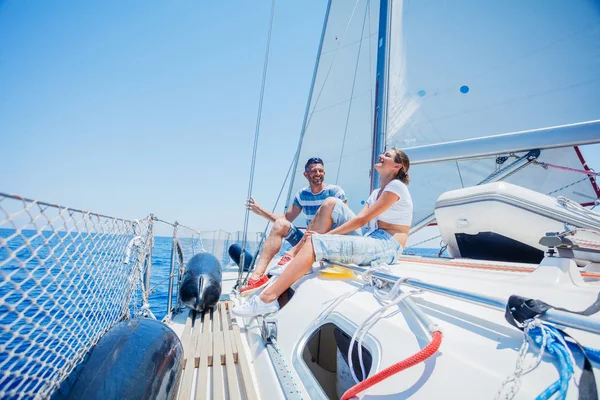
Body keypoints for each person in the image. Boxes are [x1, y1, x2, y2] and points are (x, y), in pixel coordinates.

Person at [232, 148, 413, 317]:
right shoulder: (375, 193)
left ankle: (266, 299)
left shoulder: (395, 186)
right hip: (371, 239)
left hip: (388, 245)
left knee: (315, 240)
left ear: (397, 166)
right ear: (306, 174)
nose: (382, 156)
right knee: (329, 204)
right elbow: (359, 220)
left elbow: (360, 221)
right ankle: (266, 275)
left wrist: (325, 238)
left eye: (387, 156)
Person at [238, 157, 350, 295]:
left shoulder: (335, 192)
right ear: (306, 174)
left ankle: (291, 255)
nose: (318, 173)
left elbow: (345, 220)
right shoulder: (302, 195)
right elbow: (286, 219)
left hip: (329, 240)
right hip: (307, 240)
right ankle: (256, 277)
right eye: (314, 171)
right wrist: (261, 211)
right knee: (280, 224)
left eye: (321, 171)